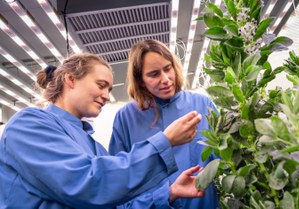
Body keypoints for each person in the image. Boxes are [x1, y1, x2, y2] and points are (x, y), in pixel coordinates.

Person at [0, 53, 205, 208]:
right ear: (70, 80)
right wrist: (164, 142)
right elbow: (88, 184)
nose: (107, 95)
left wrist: (169, 193)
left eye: (109, 89)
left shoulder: (94, 147)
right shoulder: (29, 124)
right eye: (101, 85)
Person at [109, 39, 219, 209]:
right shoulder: (126, 118)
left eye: (168, 68)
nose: (166, 79)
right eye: (154, 74)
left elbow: (225, 158)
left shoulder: (202, 104)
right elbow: (121, 180)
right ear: (140, 80)